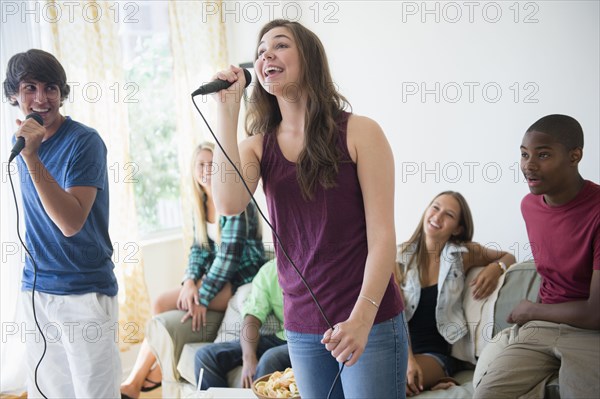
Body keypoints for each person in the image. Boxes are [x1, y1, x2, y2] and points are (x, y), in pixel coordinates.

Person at [209, 19, 407, 398]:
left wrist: (362, 319)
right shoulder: (257, 147)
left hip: (370, 320)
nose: (266, 53)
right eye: (260, 50)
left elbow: (383, 236)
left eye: (280, 45)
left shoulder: (361, 133)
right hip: (302, 327)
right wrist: (226, 111)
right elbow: (228, 203)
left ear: (309, 59)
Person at [3, 49, 121, 398]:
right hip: (37, 290)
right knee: (47, 392)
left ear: (62, 93)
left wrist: (32, 158)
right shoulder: (26, 143)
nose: (41, 99)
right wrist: (30, 151)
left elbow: (70, 222)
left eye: (50, 87)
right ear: (13, 95)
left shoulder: (84, 142)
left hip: (83, 292)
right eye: (29, 88)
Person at [120, 142, 266, 398]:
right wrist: (189, 281)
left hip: (241, 278)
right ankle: (139, 378)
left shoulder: (235, 198)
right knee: (161, 303)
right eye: (201, 165)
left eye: (212, 164)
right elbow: (198, 251)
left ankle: (142, 378)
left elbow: (229, 258)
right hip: (218, 279)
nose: (207, 170)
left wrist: (203, 297)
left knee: (166, 302)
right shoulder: (199, 205)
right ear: (193, 170)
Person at [473, 114, 600, 398]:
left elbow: (596, 313)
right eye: (524, 154)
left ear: (574, 156)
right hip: (539, 329)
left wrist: (532, 310)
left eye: (543, 155)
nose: (529, 166)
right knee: (485, 394)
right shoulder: (529, 206)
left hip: (591, 333)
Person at [395, 191, 516, 396]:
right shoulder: (397, 257)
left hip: (433, 354)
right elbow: (395, 314)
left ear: (458, 229)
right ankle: (435, 383)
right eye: (435, 207)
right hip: (399, 352)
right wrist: (407, 360)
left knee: (395, 381)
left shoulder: (462, 256)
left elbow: (508, 256)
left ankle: (439, 377)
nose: (438, 216)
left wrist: (496, 268)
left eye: (449, 215)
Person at [194, 258, 291, 389]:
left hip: (310, 340)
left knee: (270, 359)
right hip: (282, 337)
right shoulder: (270, 270)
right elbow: (252, 318)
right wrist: (248, 358)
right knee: (205, 356)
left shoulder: (321, 267)